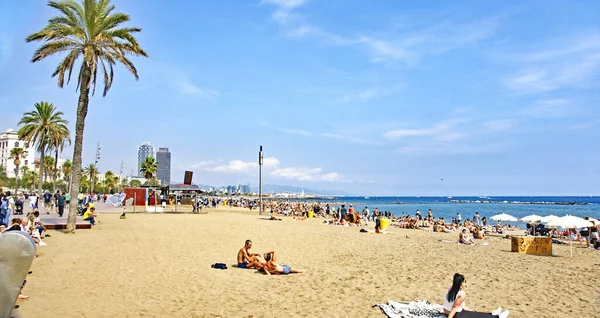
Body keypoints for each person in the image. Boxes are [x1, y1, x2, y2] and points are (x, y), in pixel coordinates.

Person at [444, 273, 509, 318]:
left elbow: (454, 304)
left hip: (447, 311)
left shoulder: (451, 289)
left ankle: (492, 314)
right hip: (456, 314)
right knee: (478, 316)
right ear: (461, 284)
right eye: (464, 282)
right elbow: (454, 307)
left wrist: (467, 309)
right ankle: (498, 317)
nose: (465, 283)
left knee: (474, 312)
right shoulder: (462, 294)